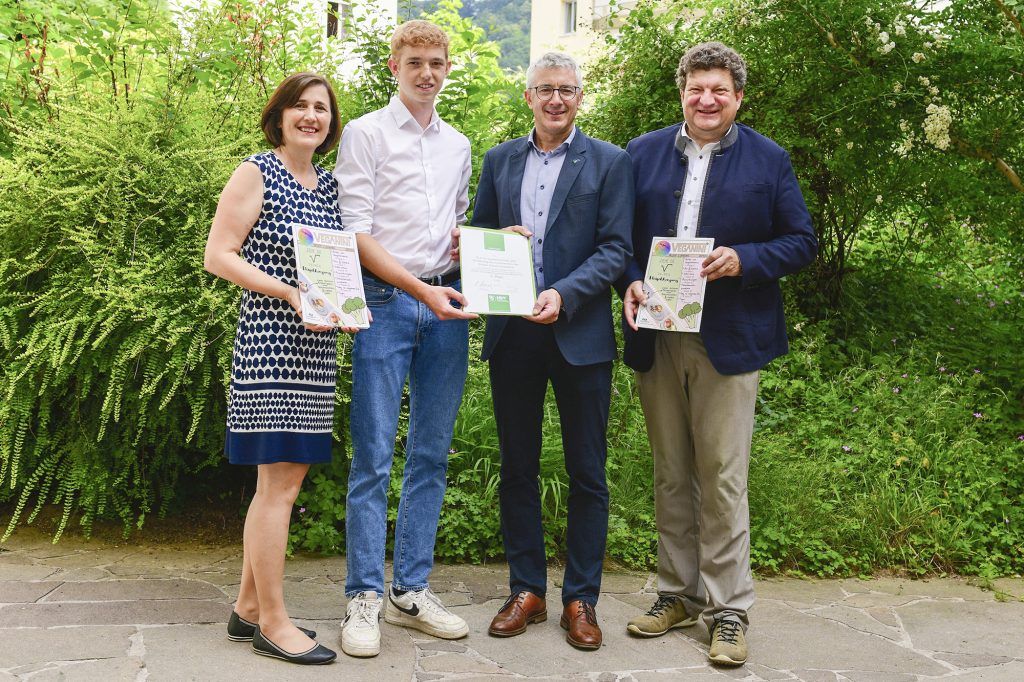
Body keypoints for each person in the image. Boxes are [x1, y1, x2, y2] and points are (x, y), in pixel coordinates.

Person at [619, 42, 817, 666]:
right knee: (672, 472)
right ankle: (676, 594)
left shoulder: (768, 159)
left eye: (719, 91)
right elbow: (617, 238)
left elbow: (800, 241)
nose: (707, 100)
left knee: (723, 477)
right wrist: (628, 278)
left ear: (738, 97)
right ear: (681, 91)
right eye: (696, 88)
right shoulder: (643, 153)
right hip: (658, 330)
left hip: (729, 337)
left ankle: (728, 609)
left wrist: (746, 259)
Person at [472, 51, 633, 651]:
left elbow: (617, 249)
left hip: (580, 335)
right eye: (546, 90)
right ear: (529, 98)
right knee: (518, 466)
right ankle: (527, 590)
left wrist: (564, 294)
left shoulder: (610, 163)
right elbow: (476, 235)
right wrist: (495, 241)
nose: (556, 99)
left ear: (579, 97)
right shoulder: (499, 160)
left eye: (567, 90)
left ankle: (581, 599)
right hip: (514, 333)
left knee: (587, 472)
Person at [333, 20, 476, 658]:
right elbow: (356, 233)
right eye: (415, 60)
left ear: (448, 68)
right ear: (394, 65)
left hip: (447, 304)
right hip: (387, 304)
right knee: (372, 458)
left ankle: (409, 591)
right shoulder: (364, 134)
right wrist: (420, 291)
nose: (426, 72)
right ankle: (363, 595)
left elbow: (458, 225)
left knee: (431, 456)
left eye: (437, 62)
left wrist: (479, 246)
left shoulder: (460, 145)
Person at [204, 72, 357, 665]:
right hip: (272, 343)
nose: (311, 116)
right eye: (300, 105)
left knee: (283, 483)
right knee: (279, 486)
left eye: (321, 108)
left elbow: (342, 263)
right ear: (280, 114)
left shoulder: (327, 187)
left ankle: (246, 610)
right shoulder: (256, 171)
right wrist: (290, 293)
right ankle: (273, 622)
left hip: (317, 349)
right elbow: (219, 254)